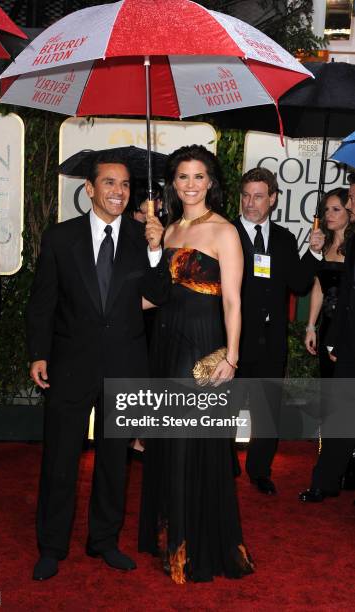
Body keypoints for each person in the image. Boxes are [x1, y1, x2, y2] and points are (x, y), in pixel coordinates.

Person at [26, 150, 168, 581]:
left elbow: (160, 295)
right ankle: (52, 545)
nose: (118, 192)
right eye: (109, 183)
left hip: (125, 363)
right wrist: (38, 352)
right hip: (70, 363)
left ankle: (103, 540)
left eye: (125, 185)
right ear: (88, 189)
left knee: (114, 461)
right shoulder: (59, 238)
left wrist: (159, 248)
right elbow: (42, 303)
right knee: (60, 460)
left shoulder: (143, 238)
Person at [139, 144, 254, 584]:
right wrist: (153, 249)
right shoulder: (166, 230)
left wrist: (232, 354)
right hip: (165, 344)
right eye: (182, 177)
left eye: (198, 176)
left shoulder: (224, 232)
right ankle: (175, 537)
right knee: (167, 442)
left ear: (211, 182)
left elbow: (232, 300)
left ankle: (195, 545)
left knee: (192, 444)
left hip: (202, 345)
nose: (189, 185)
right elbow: (156, 296)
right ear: (173, 183)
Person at [232, 168, 323, 495]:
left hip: (271, 342)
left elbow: (299, 285)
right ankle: (223, 462)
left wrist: (312, 252)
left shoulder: (284, 238)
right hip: (234, 340)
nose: (250, 203)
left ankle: (259, 470)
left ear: (272, 199)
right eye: (245, 195)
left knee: (267, 410)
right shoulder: (227, 233)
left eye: (258, 196)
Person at [299, 175, 355, 503]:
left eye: (346, 202)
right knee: (337, 407)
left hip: (344, 333)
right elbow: (324, 287)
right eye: (331, 207)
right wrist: (314, 327)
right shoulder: (326, 243)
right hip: (336, 332)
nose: (343, 208)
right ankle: (328, 478)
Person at [304, 188, 351, 377]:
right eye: (326, 210)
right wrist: (310, 327)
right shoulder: (323, 246)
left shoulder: (353, 248)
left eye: (336, 209)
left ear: (350, 210)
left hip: (348, 327)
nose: (328, 214)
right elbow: (318, 288)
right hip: (327, 326)